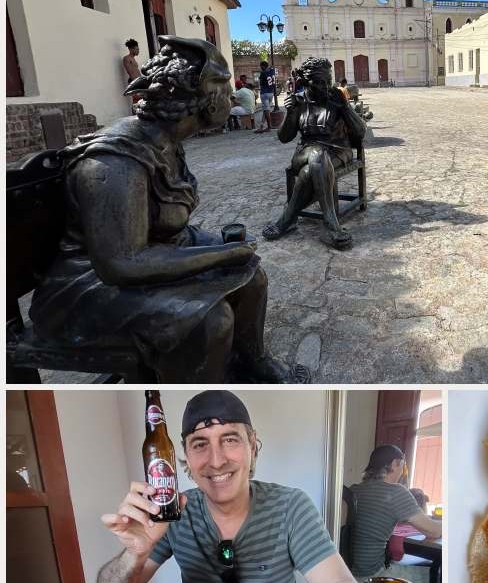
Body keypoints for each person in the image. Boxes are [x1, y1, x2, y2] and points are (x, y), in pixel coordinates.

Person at [29, 35, 307, 383]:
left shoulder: (166, 143)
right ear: (195, 96)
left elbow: (166, 231)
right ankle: (203, 385)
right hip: (86, 287)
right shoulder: (116, 161)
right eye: (221, 85)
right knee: (210, 319)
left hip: (148, 256)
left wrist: (229, 252)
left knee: (251, 272)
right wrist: (219, 255)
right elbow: (122, 263)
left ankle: (250, 361)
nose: (232, 95)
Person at [97, 390, 361, 583]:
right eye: (200, 444)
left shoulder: (291, 506)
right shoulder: (172, 513)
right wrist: (134, 554)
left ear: (253, 446)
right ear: (183, 458)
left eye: (230, 439)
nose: (217, 460)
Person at [262, 56, 366, 250]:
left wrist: (344, 106)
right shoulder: (299, 102)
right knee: (317, 155)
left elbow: (361, 132)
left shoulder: (336, 98)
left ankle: (287, 219)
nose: (324, 87)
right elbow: (284, 137)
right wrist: (291, 112)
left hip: (338, 151)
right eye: (318, 82)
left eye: (327, 81)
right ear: (305, 82)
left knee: (311, 170)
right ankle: (331, 226)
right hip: (304, 152)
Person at [348, 445, 442, 581]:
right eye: (403, 466)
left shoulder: (354, 490)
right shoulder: (396, 492)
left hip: (348, 573)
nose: (403, 472)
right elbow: (433, 532)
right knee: (437, 575)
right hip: (373, 576)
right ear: (394, 464)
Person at [256, 60, 276, 132]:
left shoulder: (263, 73)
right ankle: (261, 126)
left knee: (266, 110)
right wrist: (270, 67)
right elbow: (272, 67)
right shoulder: (272, 71)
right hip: (271, 93)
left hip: (264, 93)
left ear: (263, 66)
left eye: (261, 66)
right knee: (265, 110)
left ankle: (269, 127)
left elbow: (260, 83)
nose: (261, 68)